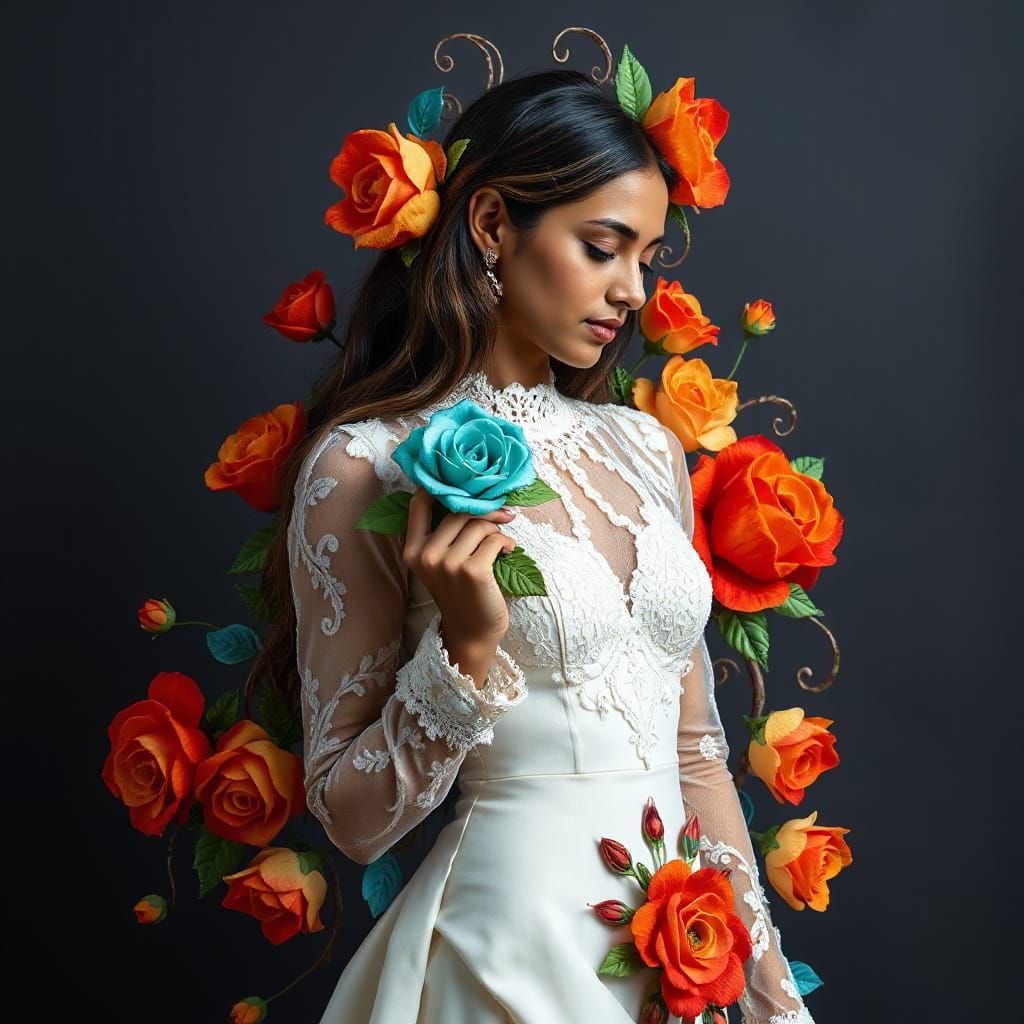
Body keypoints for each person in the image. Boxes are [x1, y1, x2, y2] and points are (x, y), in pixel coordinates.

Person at [257, 67, 815, 1024]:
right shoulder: (365, 464)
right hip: (503, 959)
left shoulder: (646, 449)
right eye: (602, 248)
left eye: (644, 257)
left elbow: (696, 756)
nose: (632, 290)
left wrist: (769, 999)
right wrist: (463, 654)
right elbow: (349, 820)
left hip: (679, 962)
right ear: (489, 226)